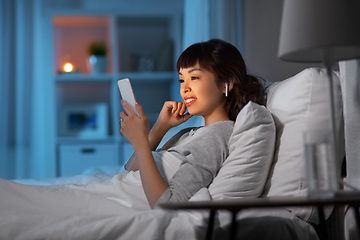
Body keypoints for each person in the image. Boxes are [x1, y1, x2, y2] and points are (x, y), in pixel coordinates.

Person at [119, 39, 264, 209]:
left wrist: (141, 142)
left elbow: (167, 205)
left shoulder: (217, 134)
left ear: (227, 83)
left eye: (194, 77)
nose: (184, 88)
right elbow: (131, 170)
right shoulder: (188, 132)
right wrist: (161, 126)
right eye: (182, 80)